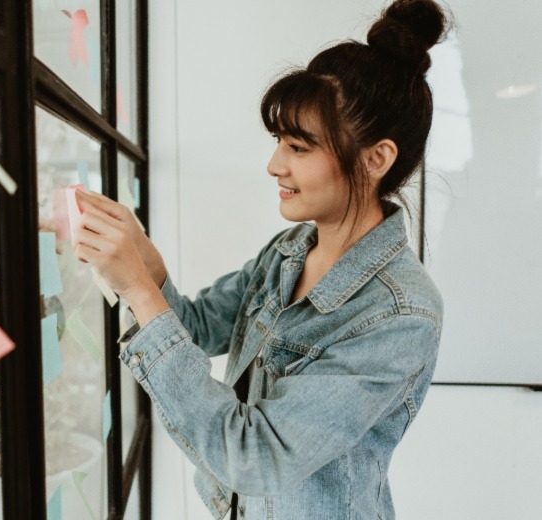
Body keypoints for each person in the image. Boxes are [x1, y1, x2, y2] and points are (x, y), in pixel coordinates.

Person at [71, 0, 449, 518]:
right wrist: (147, 264)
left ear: (376, 158)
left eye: (298, 146)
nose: (274, 165)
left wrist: (139, 290)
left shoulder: (402, 315)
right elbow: (199, 329)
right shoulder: (288, 251)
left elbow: (257, 457)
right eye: (279, 142)